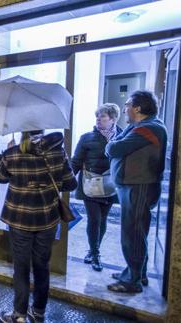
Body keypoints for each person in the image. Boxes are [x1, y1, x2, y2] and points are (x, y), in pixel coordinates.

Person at [0, 130, 77, 323]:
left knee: (21, 267)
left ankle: (19, 315)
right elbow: (71, 184)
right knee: (42, 266)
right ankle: (39, 312)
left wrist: (5, 154)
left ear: (24, 131)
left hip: (19, 219)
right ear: (42, 130)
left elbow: (1, 177)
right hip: (47, 219)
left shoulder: (13, 153)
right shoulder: (58, 153)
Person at [105, 90, 167, 293]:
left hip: (138, 187)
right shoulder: (138, 126)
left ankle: (133, 281)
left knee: (132, 233)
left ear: (138, 108)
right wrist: (114, 142)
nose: (124, 109)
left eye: (128, 105)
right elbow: (116, 142)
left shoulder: (148, 128)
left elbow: (113, 149)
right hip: (133, 186)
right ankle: (136, 272)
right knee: (136, 232)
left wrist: (111, 145)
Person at [71, 103, 122, 271]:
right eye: (97, 117)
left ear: (113, 119)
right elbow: (76, 161)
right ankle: (95, 254)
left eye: (103, 117)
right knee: (94, 220)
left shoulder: (123, 136)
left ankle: (93, 250)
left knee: (103, 220)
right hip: (90, 185)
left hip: (111, 186)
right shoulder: (87, 138)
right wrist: (68, 180)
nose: (98, 120)